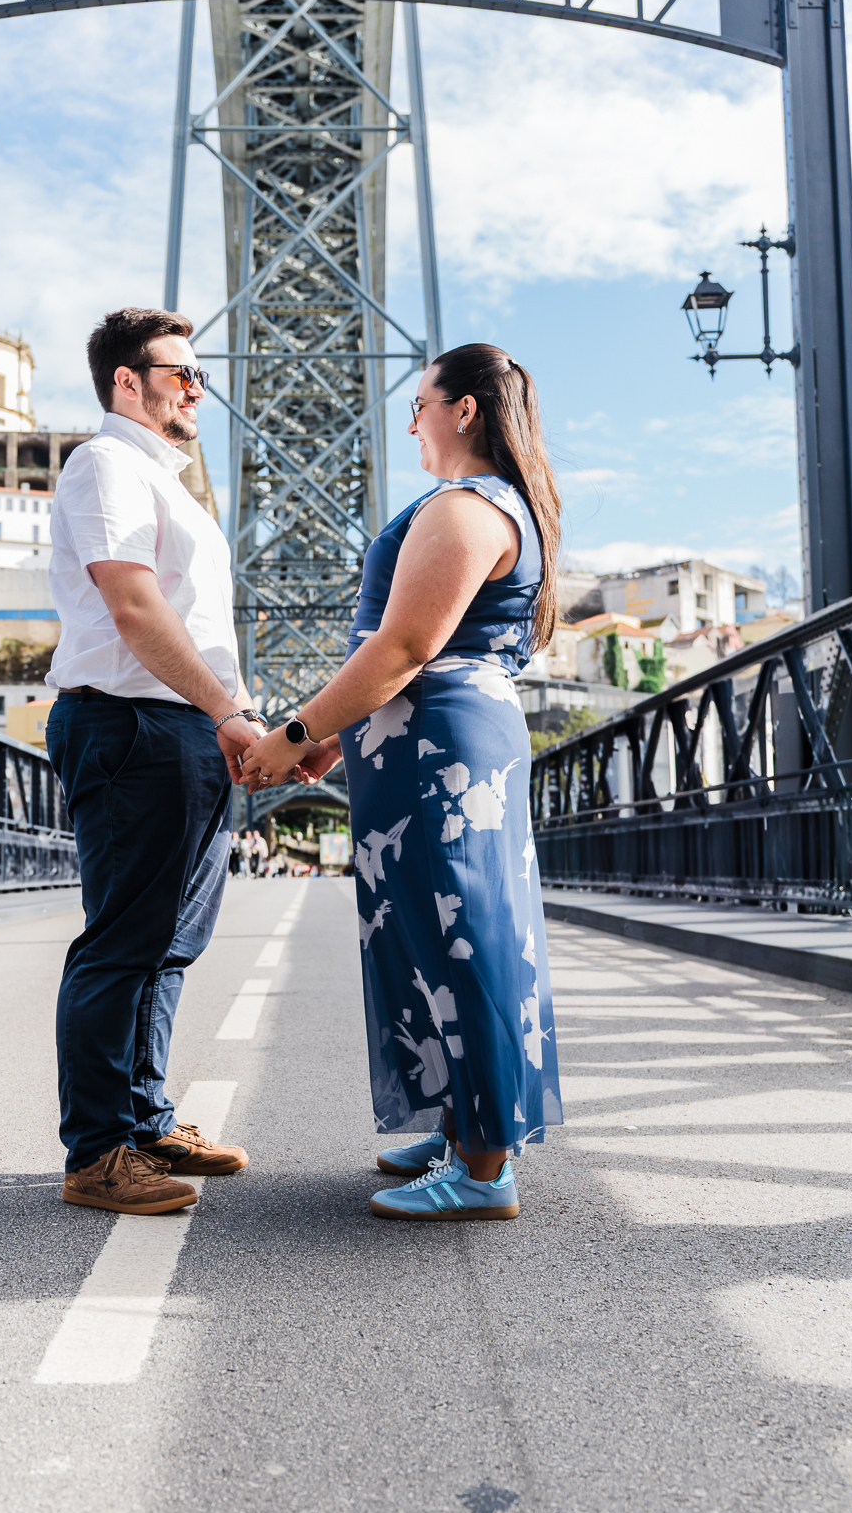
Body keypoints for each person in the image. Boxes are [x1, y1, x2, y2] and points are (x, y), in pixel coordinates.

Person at [241, 343, 563, 1221]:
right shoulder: (489, 506)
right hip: (430, 740)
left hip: (440, 750)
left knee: (460, 931)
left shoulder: (465, 508)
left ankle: (485, 1164)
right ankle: (463, 1123)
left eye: (420, 404)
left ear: (463, 410)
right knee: (434, 927)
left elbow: (407, 648)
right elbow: (419, 653)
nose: (412, 421)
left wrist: (298, 732)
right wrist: (343, 743)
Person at [45, 306, 265, 1216]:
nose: (196, 388)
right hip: (131, 724)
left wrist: (235, 718)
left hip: (183, 728)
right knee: (123, 945)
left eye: (199, 374)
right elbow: (134, 610)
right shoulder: (104, 465)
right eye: (180, 374)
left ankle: (143, 1120)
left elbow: (199, 631)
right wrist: (232, 713)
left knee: (170, 946)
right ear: (125, 383)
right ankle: (96, 1154)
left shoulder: (168, 483)